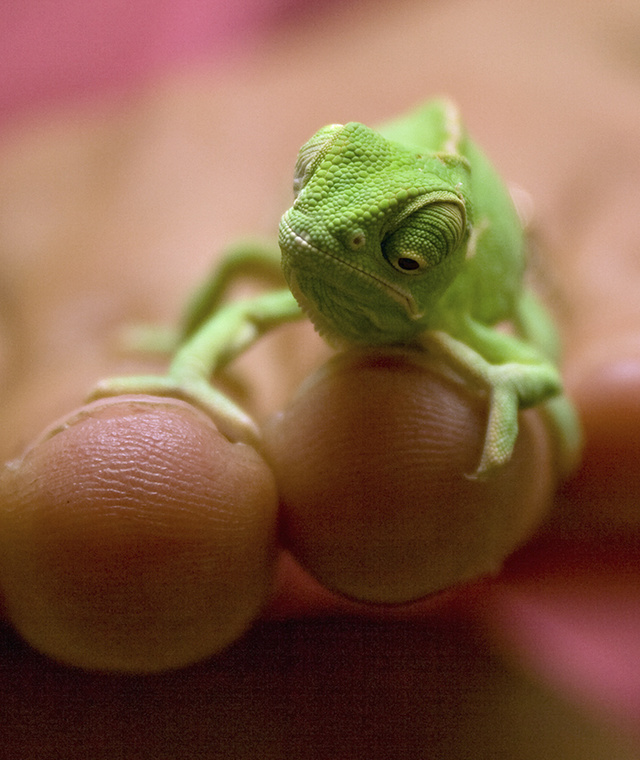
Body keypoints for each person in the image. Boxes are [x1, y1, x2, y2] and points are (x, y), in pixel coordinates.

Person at [0, 0, 638, 755]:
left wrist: (511, 390)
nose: (316, 227)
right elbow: (240, 277)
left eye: (413, 247)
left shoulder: (458, 314)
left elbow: (534, 364)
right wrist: (187, 361)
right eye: (310, 178)